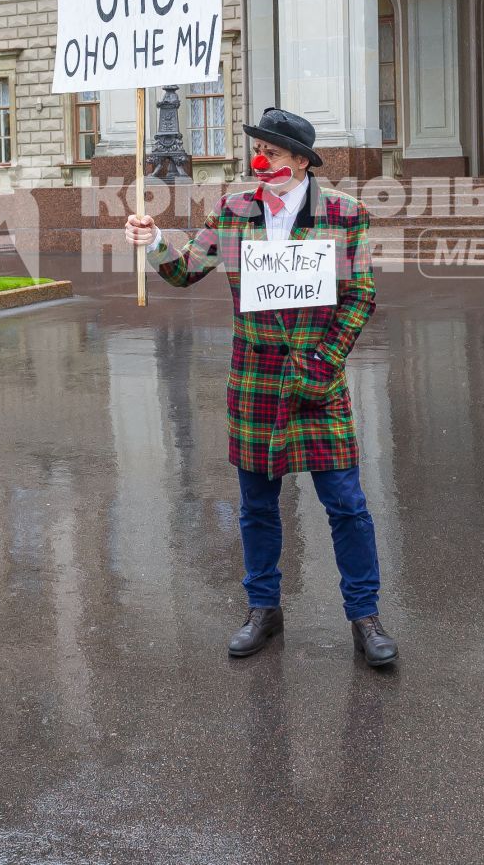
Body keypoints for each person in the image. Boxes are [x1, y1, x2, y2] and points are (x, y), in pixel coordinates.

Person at [123, 106, 398, 668]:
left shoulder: (346, 214)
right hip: (255, 381)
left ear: (300, 161)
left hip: (318, 378)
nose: (261, 162)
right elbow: (183, 271)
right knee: (256, 507)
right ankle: (263, 610)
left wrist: (323, 364)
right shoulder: (233, 209)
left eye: (272, 153)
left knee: (346, 505)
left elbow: (361, 295)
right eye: (259, 152)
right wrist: (152, 240)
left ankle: (365, 618)